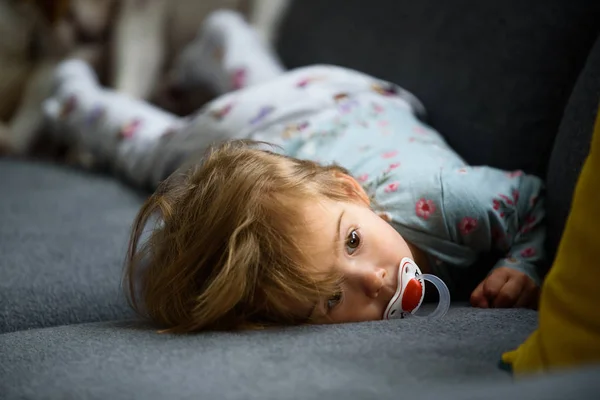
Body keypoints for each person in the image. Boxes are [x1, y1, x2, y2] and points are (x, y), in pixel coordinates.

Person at [41, 10, 545, 333]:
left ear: (352, 190)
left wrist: (523, 262)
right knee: (156, 152)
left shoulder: (445, 201)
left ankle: (212, 44)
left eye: (352, 241)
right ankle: (72, 98)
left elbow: (530, 200)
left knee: (201, 126)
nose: (372, 281)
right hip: (292, 109)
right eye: (331, 297)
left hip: (332, 101)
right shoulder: (330, 213)